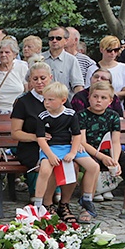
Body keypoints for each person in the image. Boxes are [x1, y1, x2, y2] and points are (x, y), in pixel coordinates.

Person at [10, 61, 80, 222]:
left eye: (43, 78)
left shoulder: (60, 97)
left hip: (60, 145)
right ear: (30, 81)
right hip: (31, 147)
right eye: (35, 79)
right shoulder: (23, 102)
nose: (39, 82)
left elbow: (73, 124)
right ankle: (46, 205)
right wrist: (36, 137)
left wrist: (77, 143)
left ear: (50, 78)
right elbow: (15, 133)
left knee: (74, 165)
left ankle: (64, 203)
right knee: (49, 164)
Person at [77, 81, 125, 220]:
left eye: (103, 98)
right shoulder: (81, 115)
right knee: (94, 167)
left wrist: (115, 159)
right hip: (88, 152)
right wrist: (101, 157)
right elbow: (82, 142)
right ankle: (86, 207)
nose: (98, 100)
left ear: (110, 101)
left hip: (108, 151)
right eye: (95, 96)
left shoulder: (113, 115)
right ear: (89, 97)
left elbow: (115, 141)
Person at [31, 82, 99, 222]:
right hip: (51, 148)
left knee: (93, 167)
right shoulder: (42, 116)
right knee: (45, 170)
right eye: (45, 99)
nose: (46, 102)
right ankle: (38, 203)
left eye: (50, 99)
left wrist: (73, 152)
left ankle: (86, 199)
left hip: (68, 147)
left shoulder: (70, 114)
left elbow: (77, 135)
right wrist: (50, 155)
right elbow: (41, 139)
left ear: (62, 100)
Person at [0, 37, 29, 115]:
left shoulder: (22, 67)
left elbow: (27, 91)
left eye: (7, 52)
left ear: (15, 55)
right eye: (1, 52)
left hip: (18, 111)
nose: (3, 55)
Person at [84, 36, 125, 102]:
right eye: (109, 50)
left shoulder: (123, 67)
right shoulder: (92, 69)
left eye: (116, 50)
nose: (113, 53)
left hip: (116, 105)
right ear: (101, 50)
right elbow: (87, 90)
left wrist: (114, 95)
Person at [42, 27, 84, 93]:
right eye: (51, 38)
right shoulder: (40, 59)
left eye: (58, 38)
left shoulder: (71, 60)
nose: (54, 41)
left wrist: (79, 102)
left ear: (66, 41)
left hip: (65, 101)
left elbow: (78, 85)